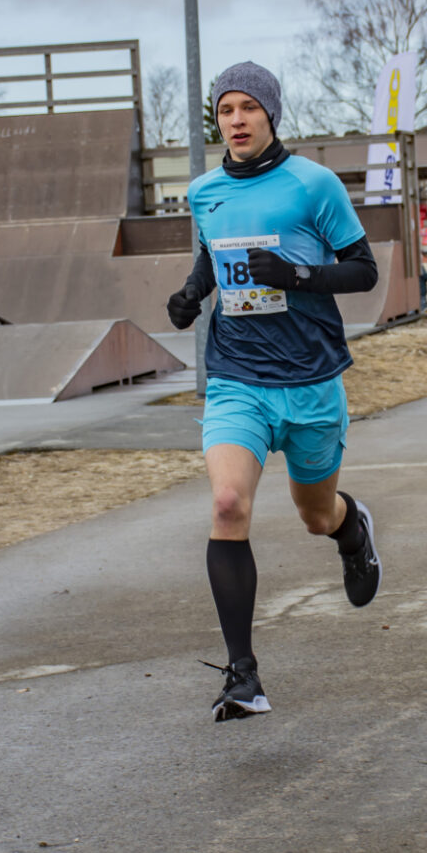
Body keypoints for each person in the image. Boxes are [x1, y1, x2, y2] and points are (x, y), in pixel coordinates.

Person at [164, 61, 382, 722]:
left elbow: (363, 270)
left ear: (270, 114)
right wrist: (191, 294)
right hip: (238, 377)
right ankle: (243, 676)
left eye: (247, 108)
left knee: (315, 514)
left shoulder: (314, 184)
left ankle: (351, 530)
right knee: (228, 503)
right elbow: (214, 255)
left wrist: (296, 274)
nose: (235, 120)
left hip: (311, 379)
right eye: (225, 110)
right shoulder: (204, 191)